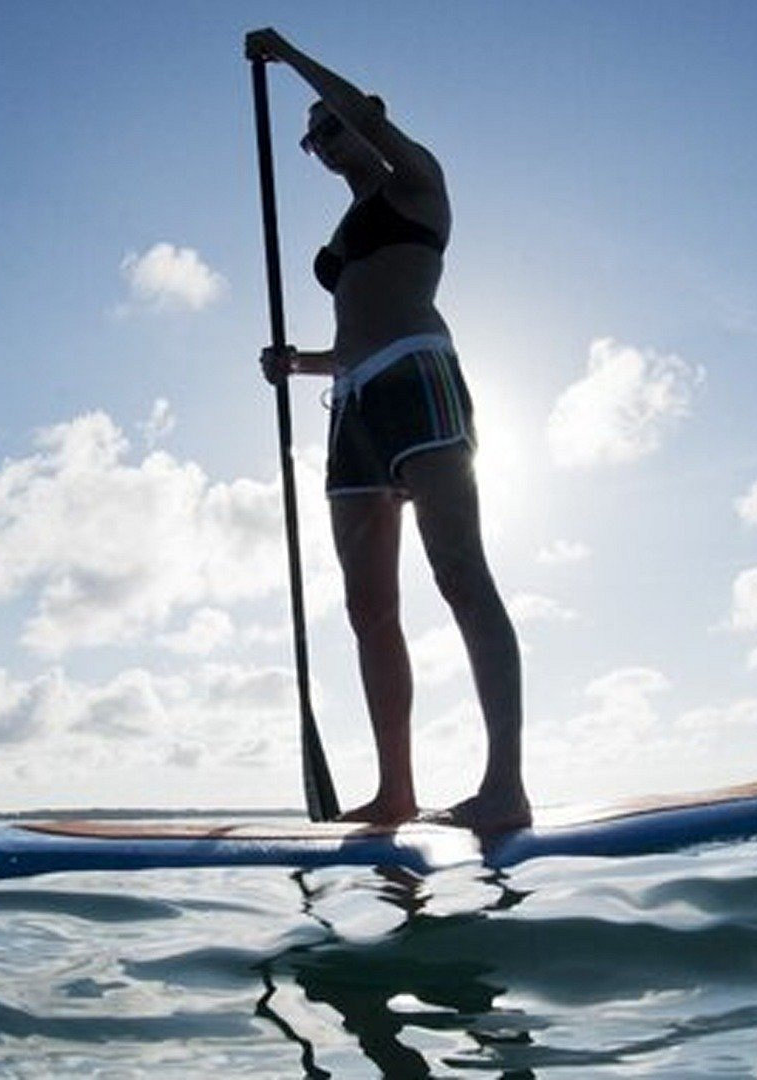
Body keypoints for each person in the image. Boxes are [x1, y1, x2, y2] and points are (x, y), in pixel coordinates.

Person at [246, 28, 531, 833]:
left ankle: (504, 786)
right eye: (312, 140)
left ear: (364, 116)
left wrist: (287, 54)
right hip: (355, 406)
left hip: (419, 376)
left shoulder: (417, 183)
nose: (323, 145)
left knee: (460, 576)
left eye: (330, 128)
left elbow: (358, 115)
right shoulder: (347, 223)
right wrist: (296, 363)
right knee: (369, 608)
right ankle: (395, 792)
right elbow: (349, 335)